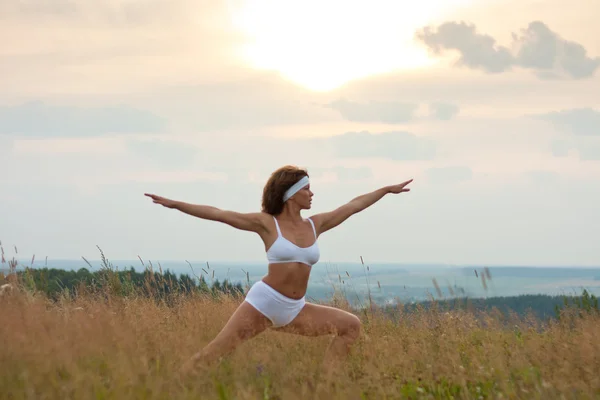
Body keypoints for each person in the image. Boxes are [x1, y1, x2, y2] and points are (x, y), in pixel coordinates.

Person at [144, 165, 412, 376]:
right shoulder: (267, 224)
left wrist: (386, 190)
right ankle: (174, 384)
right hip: (263, 304)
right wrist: (175, 204)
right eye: (307, 189)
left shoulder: (315, 225)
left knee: (351, 326)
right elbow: (218, 213)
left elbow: (353, 206)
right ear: (291, 194)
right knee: (214, 353)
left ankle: (327, 388)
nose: (312, 194)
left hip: (296, 309)